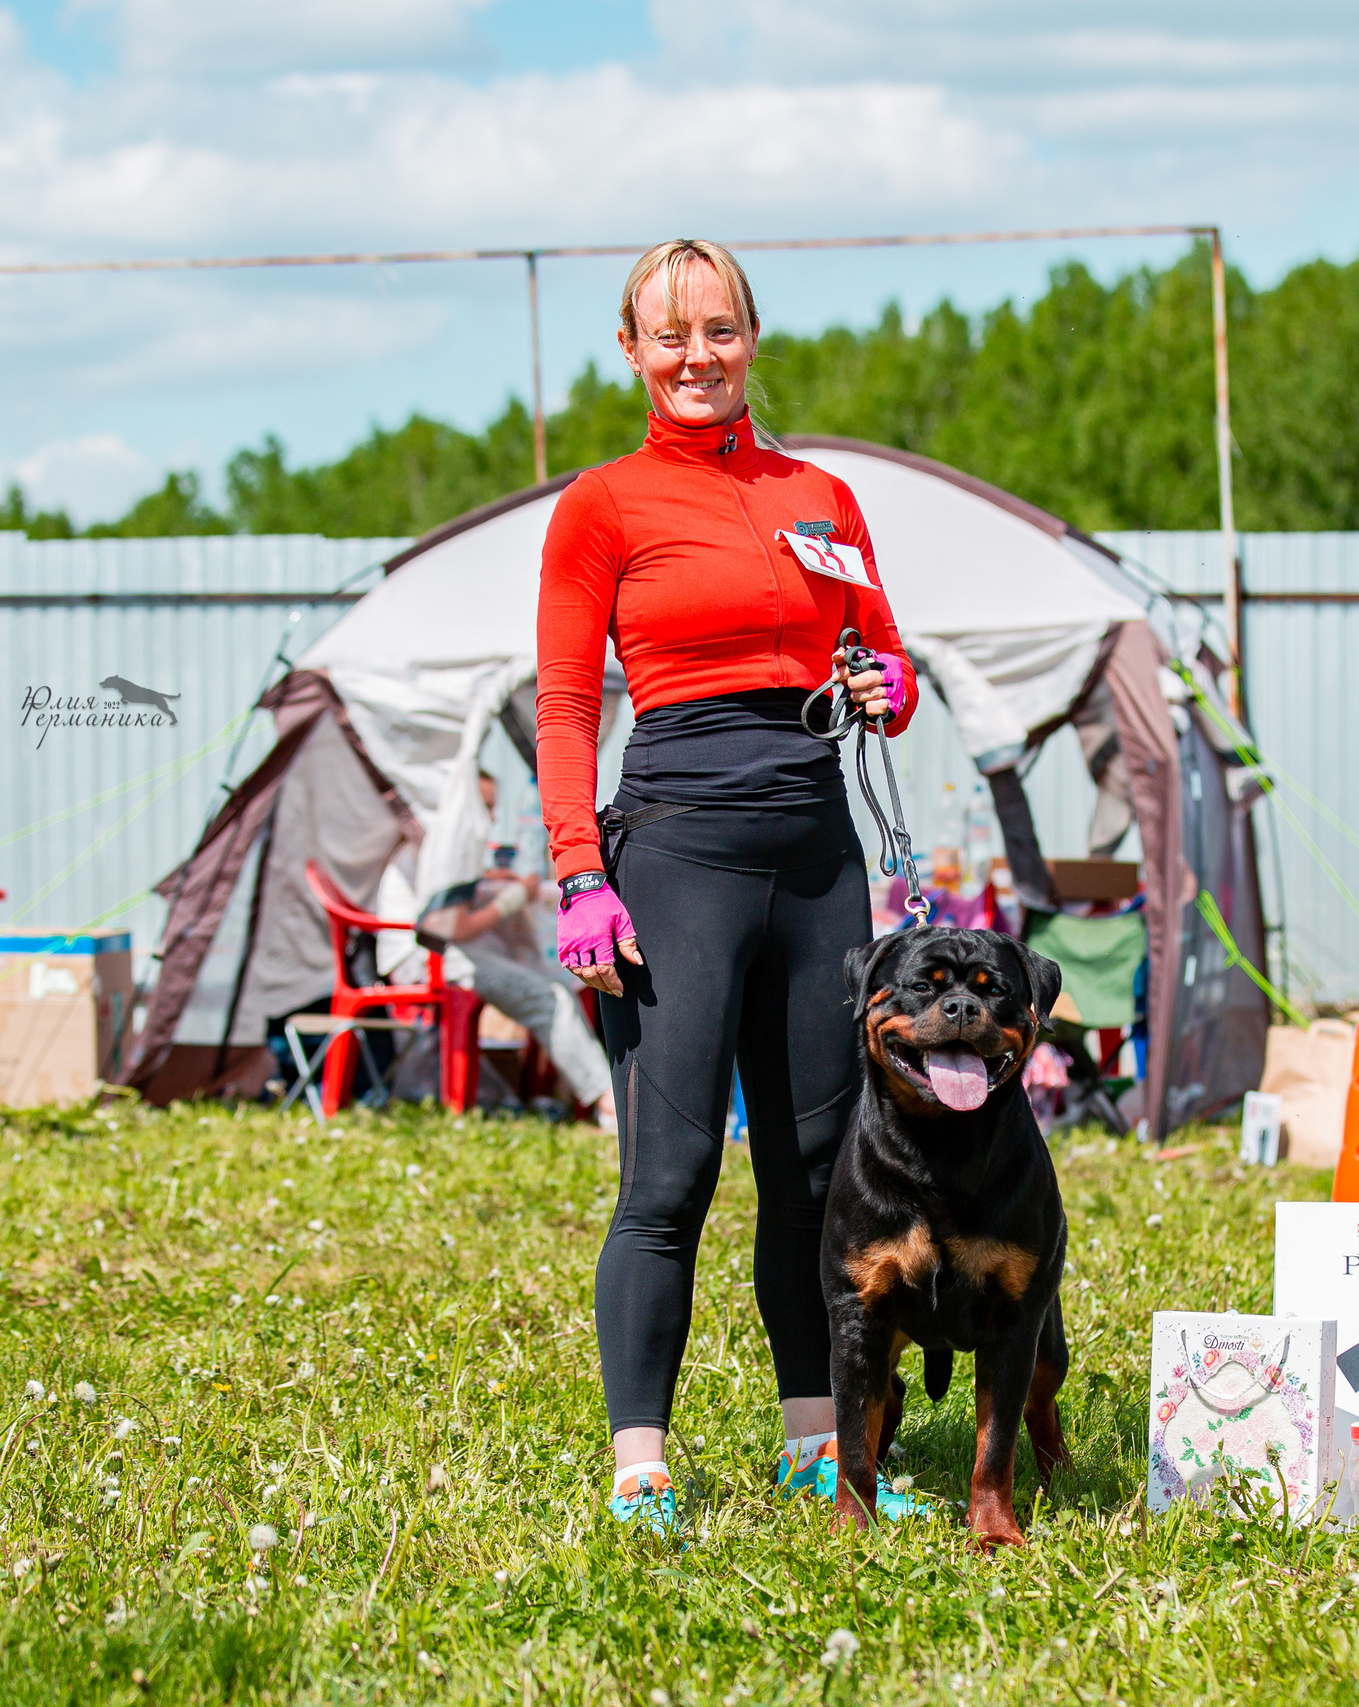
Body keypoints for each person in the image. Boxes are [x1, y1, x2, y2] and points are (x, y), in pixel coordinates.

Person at [536, 238, 922, 1537]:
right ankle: (639, 1455)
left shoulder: (820, 492)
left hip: (820, 847)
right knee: (673, 1170)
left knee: (817, 1168)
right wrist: (580, 871)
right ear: (633, 352)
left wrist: (887, 685)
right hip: (678, 850)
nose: (698, 356)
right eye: (671, 335)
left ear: (751, 339)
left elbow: (887, 661)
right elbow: (563, 705)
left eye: (720, 330)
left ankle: (816, 1441)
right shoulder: (601, 506)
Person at [374, 772, 614, 1121]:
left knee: (532, 968)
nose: (490, 818)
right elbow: (457, 926)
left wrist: (493, 881)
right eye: (483, 807)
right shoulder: (436, 852)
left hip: (434, 951)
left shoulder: (430, 846)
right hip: (423, 958)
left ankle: (562, 1089)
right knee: (548, 995)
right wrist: (515, 897)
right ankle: (605, 1101)